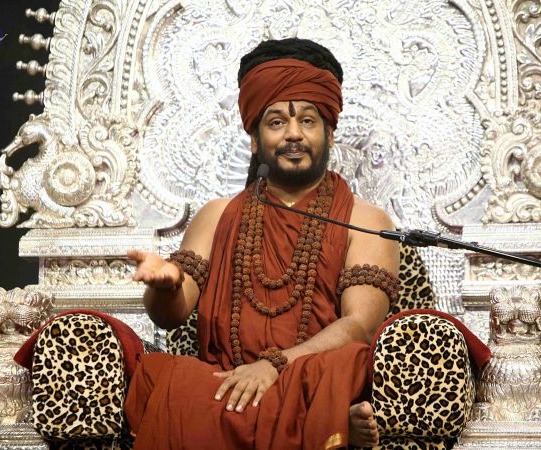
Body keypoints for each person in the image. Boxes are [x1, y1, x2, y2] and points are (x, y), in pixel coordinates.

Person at [125, 38, 401, 449]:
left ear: (329, 132)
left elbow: (359, 326)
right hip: (227, 381)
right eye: (276, 123)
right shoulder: (217, 215)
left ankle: (314, 412)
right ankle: (321, 421)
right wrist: (166, 286)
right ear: (255, 139)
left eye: (308, 121)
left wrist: (274, 365)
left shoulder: (365, 220)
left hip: (308, 374)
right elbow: (171, 315)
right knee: (169, 375)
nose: (294, 134)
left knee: (346, 362)